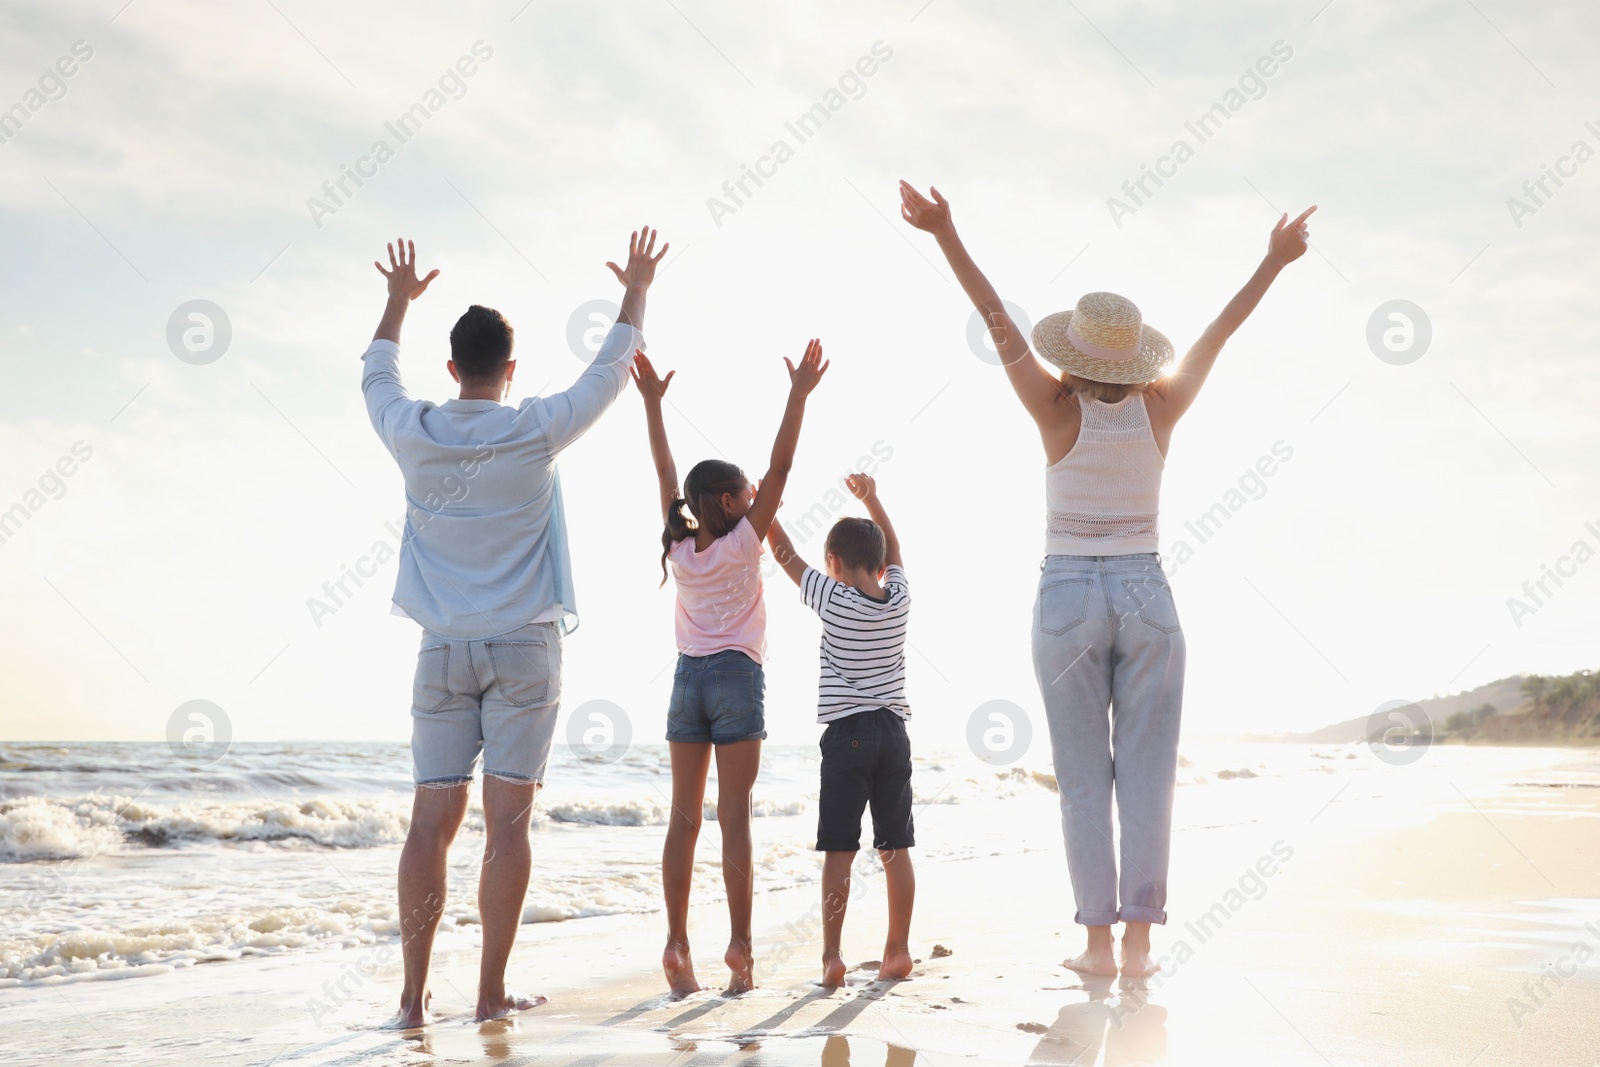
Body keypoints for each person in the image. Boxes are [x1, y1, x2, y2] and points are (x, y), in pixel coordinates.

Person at [898, 181, 1313, 978]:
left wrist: (947, 232)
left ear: (1076, 351)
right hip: (1147, 593)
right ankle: (1138, 943)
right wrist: (1272, 262)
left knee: (1083, 777)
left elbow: (996, 320)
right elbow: (1220, 331)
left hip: (1066, 597)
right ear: (1135, 354)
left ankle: (1094, 942)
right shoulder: (1162, 406)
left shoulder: (1054, 408)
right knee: (1150, 773)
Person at [361, 227, 668, 1025]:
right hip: (526, 648)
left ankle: (411, 998)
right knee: (507, 820)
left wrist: (397, 301)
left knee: (431, 818)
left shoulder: (415, 431)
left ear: (455, 367)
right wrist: (635, 288)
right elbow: (609, 372)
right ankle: (490, 991)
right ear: (511, 370)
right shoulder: (533, 427)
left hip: (441, 650)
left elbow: (376, 373)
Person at [630, 339, 830, 996]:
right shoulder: (746, 540)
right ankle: (741, 949)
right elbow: (784, 464)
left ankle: (676, 943)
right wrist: (798, 395)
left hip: (686, 682)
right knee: (735, 816)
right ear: (725, 500)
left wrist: (654, 407)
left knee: (682, 818)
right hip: (738, 678)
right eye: (743, 487)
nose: (754, 489)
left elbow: (665, 474)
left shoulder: (681, 545)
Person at [765, 473, 915, 988]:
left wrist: (765, 508)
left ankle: (833, 957)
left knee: (840, 850)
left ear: (832, 564)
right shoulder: (898, 600)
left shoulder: (833, 598)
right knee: (895, 847)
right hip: (894, 733)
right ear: (880, 566)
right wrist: (874, 498)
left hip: (848, 734)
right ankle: (898, 951)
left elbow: (784, 556)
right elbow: (894, 548)